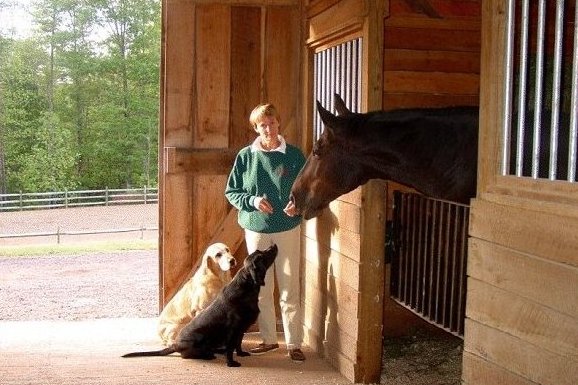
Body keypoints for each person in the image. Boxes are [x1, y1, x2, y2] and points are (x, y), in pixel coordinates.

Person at [225, 103, 306, 362]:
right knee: (261, 286)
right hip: (256, 229)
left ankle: (294, 343)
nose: (268, 129)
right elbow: (232, 192)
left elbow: (307, 189)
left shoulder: (294, 155)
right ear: (256, 128)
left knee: (289, 284)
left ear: (278, 124)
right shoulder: (245, 157)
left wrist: (298, 205)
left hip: (287, 228)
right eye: (263, 125)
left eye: (272, 123)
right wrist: (252, 201)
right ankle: (269, 339)